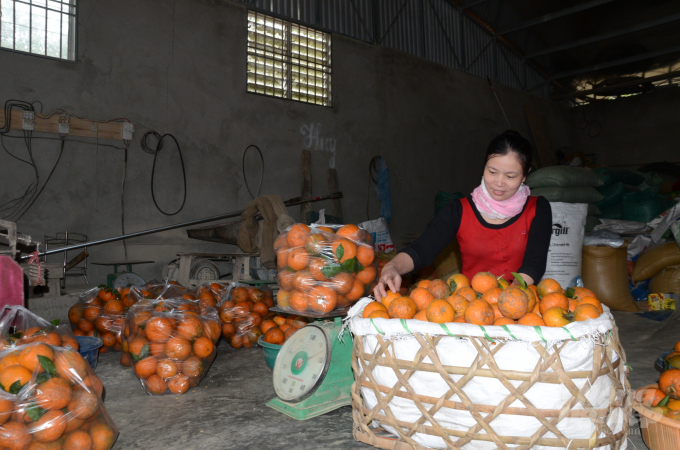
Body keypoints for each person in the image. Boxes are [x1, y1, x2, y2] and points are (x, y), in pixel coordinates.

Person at [374, 130, 552, 300]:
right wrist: (392, 266)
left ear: (524, 176)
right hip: (470, 308)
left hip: (519, 302)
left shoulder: (537, 209)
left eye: (510, 176)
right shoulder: (458, 210)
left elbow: (534, 263)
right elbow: (422, 249)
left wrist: (508, 300)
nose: (499, 183)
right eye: (492, 172)